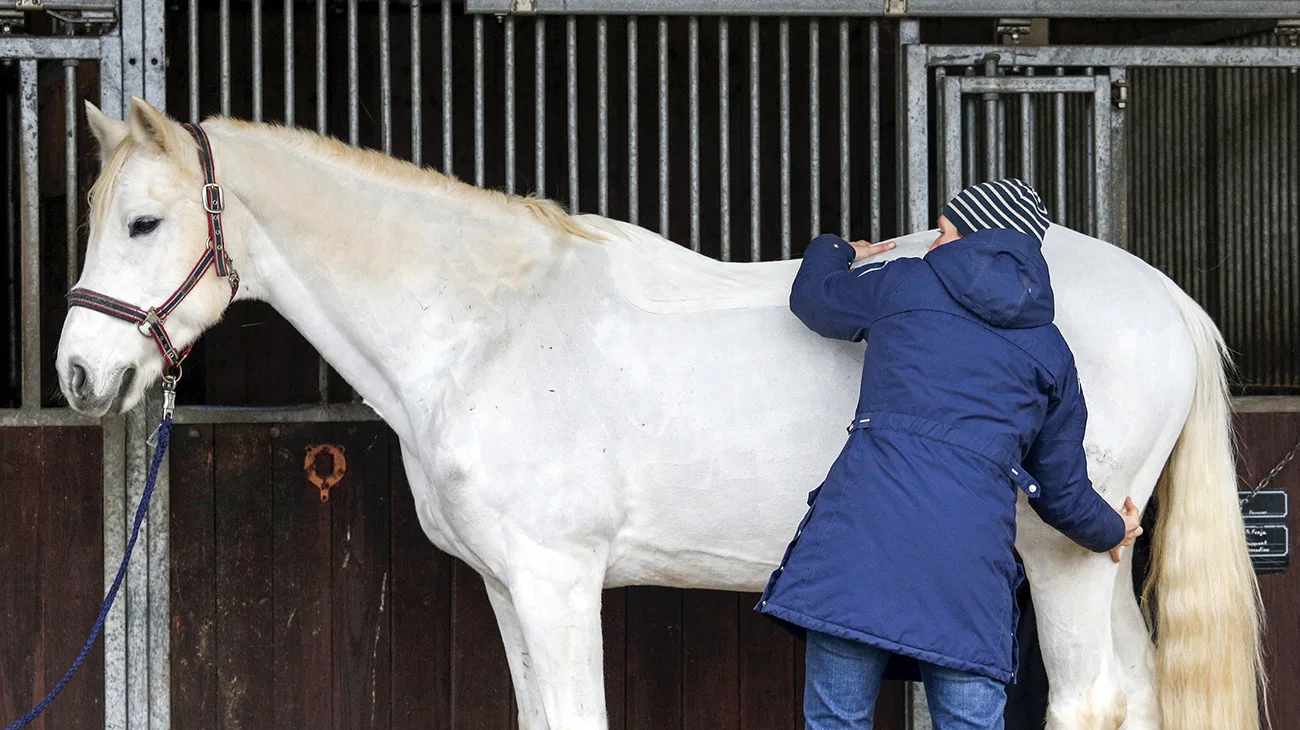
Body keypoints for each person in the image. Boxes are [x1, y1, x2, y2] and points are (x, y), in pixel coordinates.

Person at [755, 179, 1143, 730]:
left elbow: (813, 300)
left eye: (942, 232)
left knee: (836, 721)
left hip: (859, 547)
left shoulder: (904, 283)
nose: (933, 244)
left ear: (971, 237)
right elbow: (1060, 490)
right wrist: (1112, 530)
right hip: (969, 575)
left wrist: (837, 250)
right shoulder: (1052, 352)